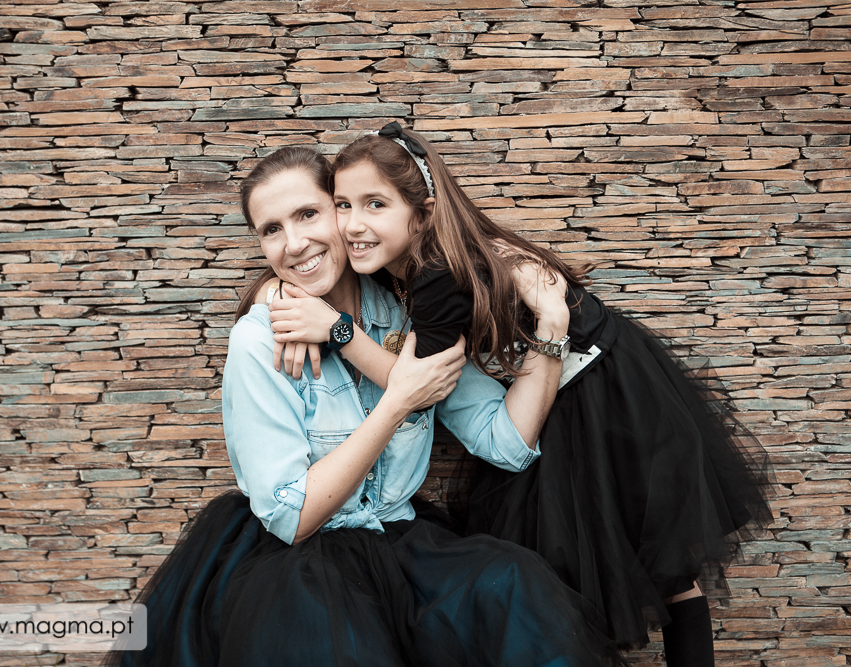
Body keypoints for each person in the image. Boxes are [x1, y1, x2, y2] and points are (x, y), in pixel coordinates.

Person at [269, 123, 774, 666]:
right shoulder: (421, 261)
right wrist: (277, 289)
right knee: (611, 569)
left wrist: (338, 331)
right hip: (585, 377)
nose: (352, 224)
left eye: (375, 204)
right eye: (342, 205)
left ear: (424, 211)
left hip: (598, 394)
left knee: (635, 563)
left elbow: (415, 382)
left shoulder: (437, 273)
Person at [105, 145, 617, 667]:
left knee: (513, 587)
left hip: (401, 543)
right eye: (271, 229)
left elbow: (506, 442)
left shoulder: (412, 317)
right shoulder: (261, 341)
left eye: (309, 214)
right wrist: (397, 403)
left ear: (341, 212)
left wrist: (551, 329)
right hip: (298, 562)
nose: (294, 243)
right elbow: (293, 519)